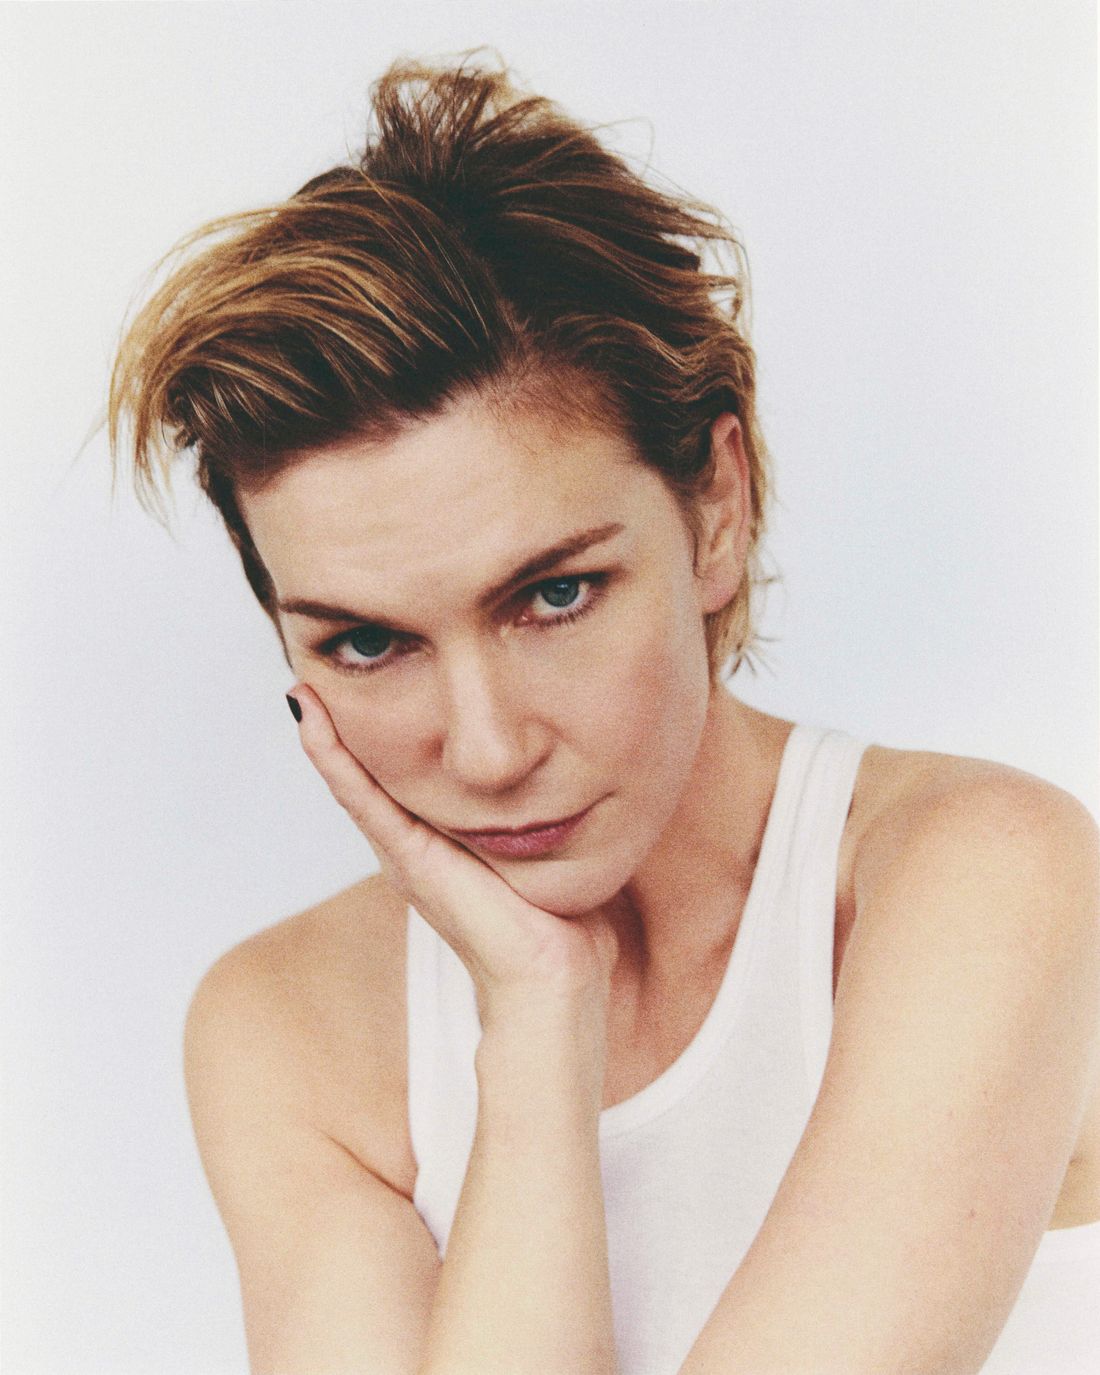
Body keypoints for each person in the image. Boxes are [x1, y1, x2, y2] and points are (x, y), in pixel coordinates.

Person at [109, 56, 1100, 1375]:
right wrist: (535, 1020)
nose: (486, 750)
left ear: (715, 509)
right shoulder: (289, 1027)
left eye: (555, 594)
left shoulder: (975, 877)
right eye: (368, 642)